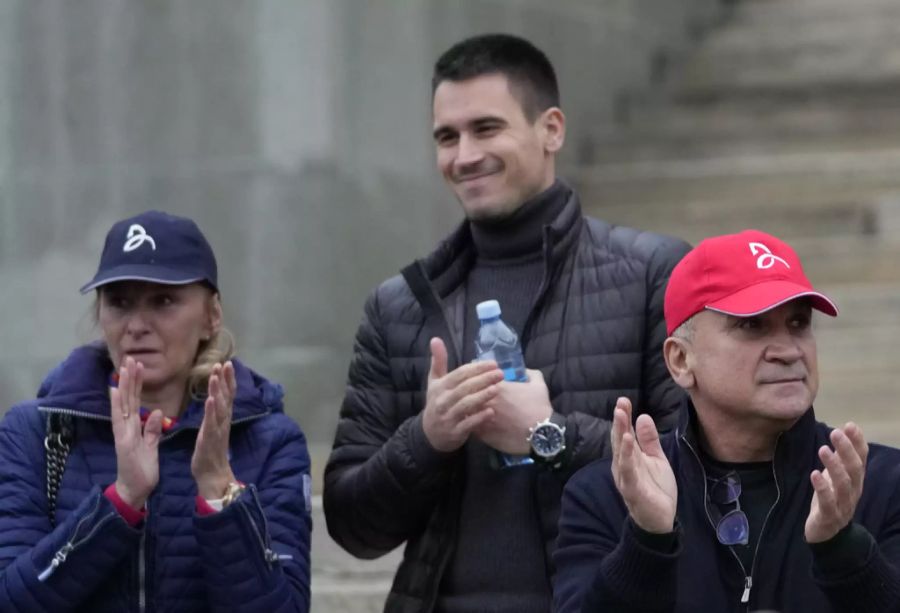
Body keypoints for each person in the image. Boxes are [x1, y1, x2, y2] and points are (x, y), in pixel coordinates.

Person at [323, 33, 690, 612]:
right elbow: (351, 526)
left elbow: (703, 477)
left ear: (552, 130)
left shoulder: (653, 275)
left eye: (486, 128)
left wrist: (551, 435)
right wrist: (427, 438)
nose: (464, 155)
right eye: (447, 136)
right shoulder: (398, 307)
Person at [554, 229, 900, 613]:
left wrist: (843, 550)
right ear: (681, 361)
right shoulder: (604, 495)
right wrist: (647, 542)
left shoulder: (884, 483)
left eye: (799, 323)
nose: (788, 350)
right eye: (752, 325)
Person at [0, 211, 311, 612]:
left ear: (211, 316)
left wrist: (219, 496)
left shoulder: (269, 441)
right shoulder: (36, 433)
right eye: (119, 302)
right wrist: (121, 501)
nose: (136, 325)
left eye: (163, 301)